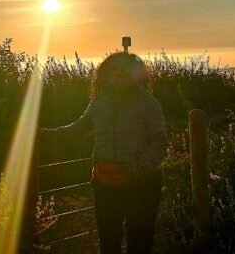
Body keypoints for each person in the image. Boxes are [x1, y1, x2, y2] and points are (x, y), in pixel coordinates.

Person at [40, 52, 167, 254]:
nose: (119, 74)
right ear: (106, 74)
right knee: (108, 244)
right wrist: (40, 133)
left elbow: (159, 143)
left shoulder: (148, 103)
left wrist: (137, 171)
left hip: (141, 186)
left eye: (125, 70)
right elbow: (75, 129)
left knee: (139, 245)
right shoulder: (99, 102)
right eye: (114, 70)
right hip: (104, 184)